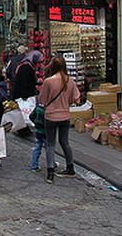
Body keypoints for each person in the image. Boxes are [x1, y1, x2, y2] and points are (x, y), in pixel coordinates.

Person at [38, 55, 81, 183]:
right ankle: (70, 167)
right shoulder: (70, 80)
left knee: (50, 144)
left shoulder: (49, 81)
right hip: (65, 116)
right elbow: (76, 99)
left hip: (51, 115)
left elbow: (42, 99)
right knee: (65, 142)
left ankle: (50, 172)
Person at [28, 99, 46, 171]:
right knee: (49, 148)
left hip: (38, 131)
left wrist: (36, 123)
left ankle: (34, 165)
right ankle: (51, 164)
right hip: (46, 132)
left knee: (37, 147)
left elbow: (31, 116)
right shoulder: (48, 110)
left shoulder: (38, 108)